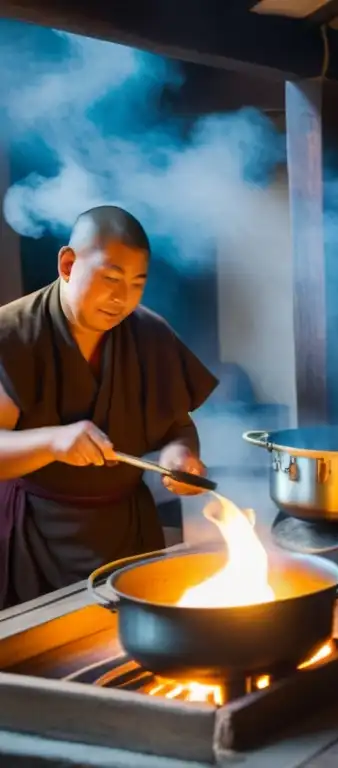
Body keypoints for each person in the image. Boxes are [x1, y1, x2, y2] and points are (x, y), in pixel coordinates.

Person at [0, 205, 218, 609]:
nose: (122, 298)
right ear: (68, 264)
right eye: (110, 278)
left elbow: (178, 426)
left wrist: (181, 455)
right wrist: (53, 441)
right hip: (36, 537)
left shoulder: (148, 333)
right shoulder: (14, 333)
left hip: (128, 535)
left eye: (137, 283)